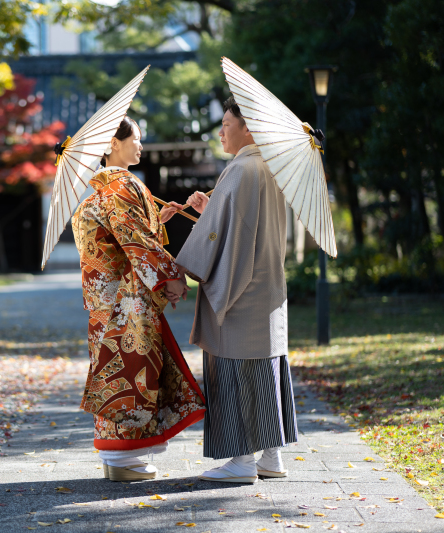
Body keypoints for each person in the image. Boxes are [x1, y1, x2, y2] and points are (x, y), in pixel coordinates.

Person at [71, 116, 206, 482]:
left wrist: (157, 220)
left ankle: (117, 459)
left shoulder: (97, 192)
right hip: (127, 301)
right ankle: (124, 461)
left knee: (112, 370)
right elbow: (137, 243)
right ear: (114, 143)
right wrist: (172, 276)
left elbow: (122, 236)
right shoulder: (125, 185)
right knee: (134, 372)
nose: (141, 146)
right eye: (136, 139)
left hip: (104, 304)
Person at [172, 97, 298, 483]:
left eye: (227, 123)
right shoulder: (272, 167)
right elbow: (238, 226)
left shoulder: (241, 169)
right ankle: (271, 457)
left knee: (237, 370)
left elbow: (217, 235)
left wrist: (182, 269)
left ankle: (242, 461)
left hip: (239, 291)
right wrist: (209, 208)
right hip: (267, 287)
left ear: (248, 128)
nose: (222, 131)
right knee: (266, 368)